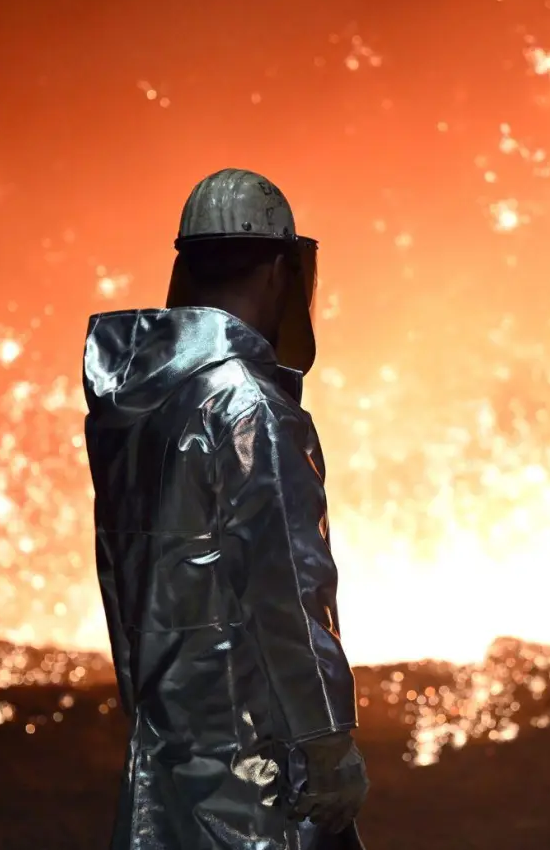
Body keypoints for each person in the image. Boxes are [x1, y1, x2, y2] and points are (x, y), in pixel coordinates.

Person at [82, 168, 369, 850]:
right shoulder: (249, 408)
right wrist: (326, 739)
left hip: (170, 759)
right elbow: (286, 590)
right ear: (280, 270)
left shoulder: (143, 408)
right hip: (262, 773)